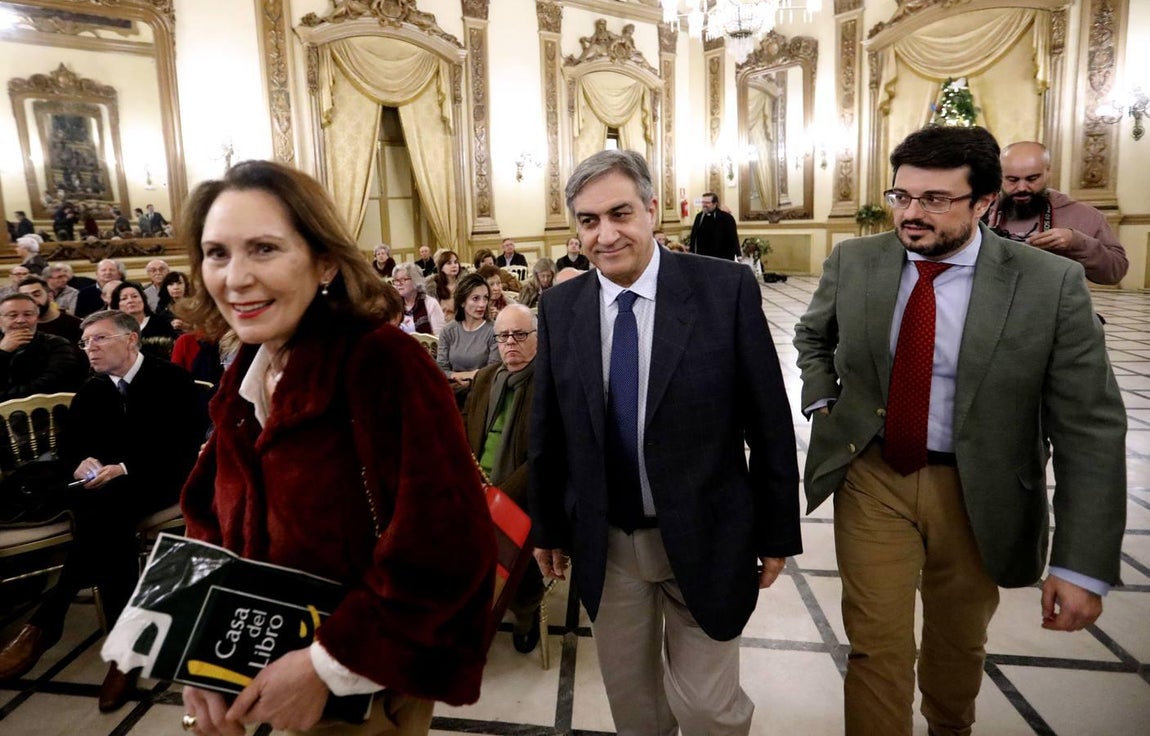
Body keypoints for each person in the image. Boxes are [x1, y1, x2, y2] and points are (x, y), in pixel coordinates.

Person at [793, 125, 1127, 736]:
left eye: (935, 199)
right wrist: (823, 399)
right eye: (901, 195)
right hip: (874, 477)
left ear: (983, 203)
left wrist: (1082, 565)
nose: (911, 213)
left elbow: (1090, 427)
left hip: (980, 489)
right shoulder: (856, 261)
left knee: (956, 642)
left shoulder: (1048, 284)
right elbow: (814, 335)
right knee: (875, 644)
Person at [173, 159, 494, 735]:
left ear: (324, 261)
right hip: (260, 665)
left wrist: (328, 663)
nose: (235, 277)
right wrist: (199, 646)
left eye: (264, 249)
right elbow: (208, 514)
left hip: (363, 689)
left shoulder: (381, 361)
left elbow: (447, 544)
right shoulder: (249, 363)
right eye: (216, 253)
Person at [529, 149, 801, 735]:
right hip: (610, 545)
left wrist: (777, 530)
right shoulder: (560, 308)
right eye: (588, 220)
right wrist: (547, 526)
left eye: (620, 213)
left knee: (707, 709)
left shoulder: (723, 289)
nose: (605, 235)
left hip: (707, 533)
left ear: (652, 209)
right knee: (636, 711)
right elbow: (548, 431)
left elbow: (769, 422)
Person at [0, 309, 201, 710]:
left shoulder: (171, 380)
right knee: (108, 523)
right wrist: (82, 463)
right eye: (85, 341)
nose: (89, 348)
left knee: (104, 515)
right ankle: (123, 653)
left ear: (131, 339)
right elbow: (71, 447)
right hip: (108, 491)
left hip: (163, 478)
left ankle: (46, 622)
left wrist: (124, 467)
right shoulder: (92, 389)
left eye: (99, 339)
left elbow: (184, 446)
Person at [462, 304, 546, 653]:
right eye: (503, 336)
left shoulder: (550, 383)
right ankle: (468, 607)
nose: (510, 342)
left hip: (529, 491)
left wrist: (499, 498)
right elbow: (465, 434)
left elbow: (547, 455)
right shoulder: (485, 378)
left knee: (508, 532)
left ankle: (525, 607)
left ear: (537, 338)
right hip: (476, 485)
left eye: (520, 334)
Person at [987, 141, 1128, 285]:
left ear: (1048, 172)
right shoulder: (981, 209)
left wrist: (1077, 242)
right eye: (1012, 180)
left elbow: (1115, 273)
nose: (1022, 187)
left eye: (1032, 179)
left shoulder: (1083, 215)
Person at [0, 293, 81, 399]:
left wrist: (4, 396)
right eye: (12, 315)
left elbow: (50, 384)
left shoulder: (57, 344)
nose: (21, 320)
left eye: (28, 314)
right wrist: (3, 352)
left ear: (37, 318)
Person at [436, 273, 499, 398]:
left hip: (482, 392)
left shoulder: (494, 331)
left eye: (485, 298)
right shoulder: (448, 331)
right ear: (462, 302)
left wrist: (466, 378)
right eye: (475, 298)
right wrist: (457, 376)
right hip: (452, 391)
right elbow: (441, 369)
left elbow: (492, 372)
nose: (482, 304)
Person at [110, 281, 177, 360]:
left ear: (143, 299)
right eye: (124, 298)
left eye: (135, 296)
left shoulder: (161, 323)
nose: (130, 300)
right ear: (117, 305)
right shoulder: (114, 328)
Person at [18, 275, 83, 345]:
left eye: (37, 295)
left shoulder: (76, 325)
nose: (32, 301)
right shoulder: (20, 326)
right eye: (25, 297)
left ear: (50, 296)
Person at [392, 262, 444, 335]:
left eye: (403, 279)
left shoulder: (430, 303)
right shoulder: (394, 306)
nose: (399, 284)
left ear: (415, 280)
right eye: (396, 280)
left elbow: (439, 335)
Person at [688, 192, 739, 260]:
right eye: (703, 202)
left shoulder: (726, 218)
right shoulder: (699, 216)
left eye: (707, 203)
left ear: (715, 204)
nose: (704, 205)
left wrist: (738, 254)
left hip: (720, 257)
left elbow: (733, 237)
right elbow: (694, 235)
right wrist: (691, 251)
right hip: (702, 257)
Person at [429, 250, 463, 320]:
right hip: (441, 323)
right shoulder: (434, 287)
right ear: (441, 268)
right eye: (449, 263)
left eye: (456, 262)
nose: (454, 265)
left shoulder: (464, 285)